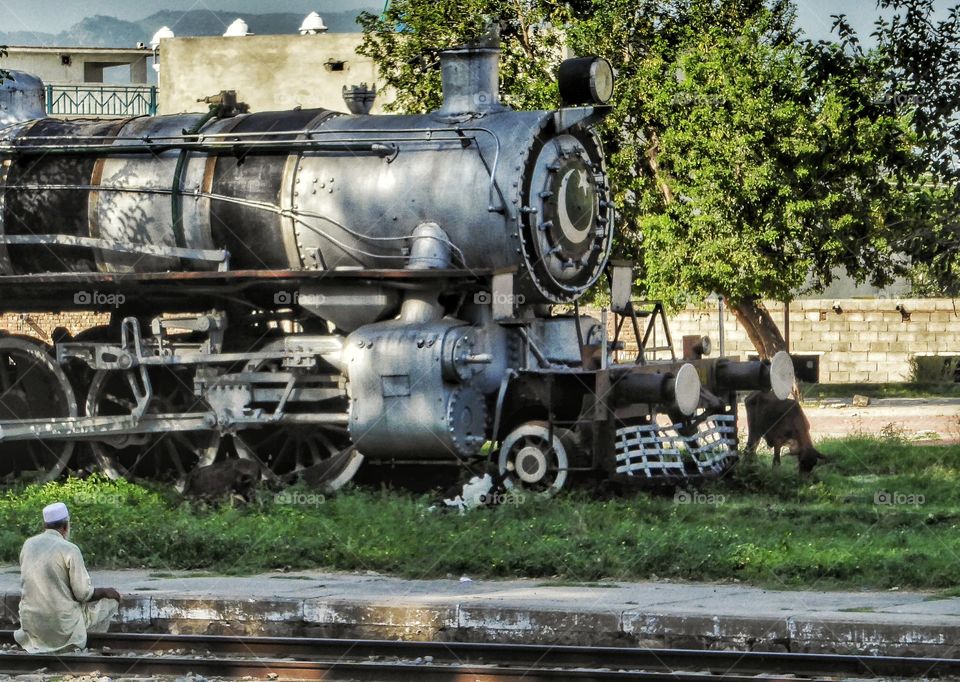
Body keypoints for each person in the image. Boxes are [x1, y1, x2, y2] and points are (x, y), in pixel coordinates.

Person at [14, 502, 121, 652]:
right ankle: (85, 644)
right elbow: (83, 594)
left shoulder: (28, 545)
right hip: (62, 628)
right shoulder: (70, 549)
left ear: (45, 526)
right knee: (110, 600)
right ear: (65, 527)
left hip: (33, 626)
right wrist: (105, 591)